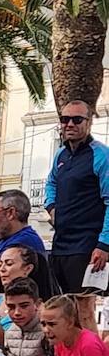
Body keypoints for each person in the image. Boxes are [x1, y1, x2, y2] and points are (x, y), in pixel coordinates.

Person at [44, 100, 109, 295]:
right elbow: (51, 183)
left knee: (87, 308)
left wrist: (104, 245)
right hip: (60, 246)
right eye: (65, 119)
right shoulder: (61, 155)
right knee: (65, 309)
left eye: (77, 119)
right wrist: (51, 207)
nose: (70, 124)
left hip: (88, 248)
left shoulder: (101, 155)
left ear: (88, 123)